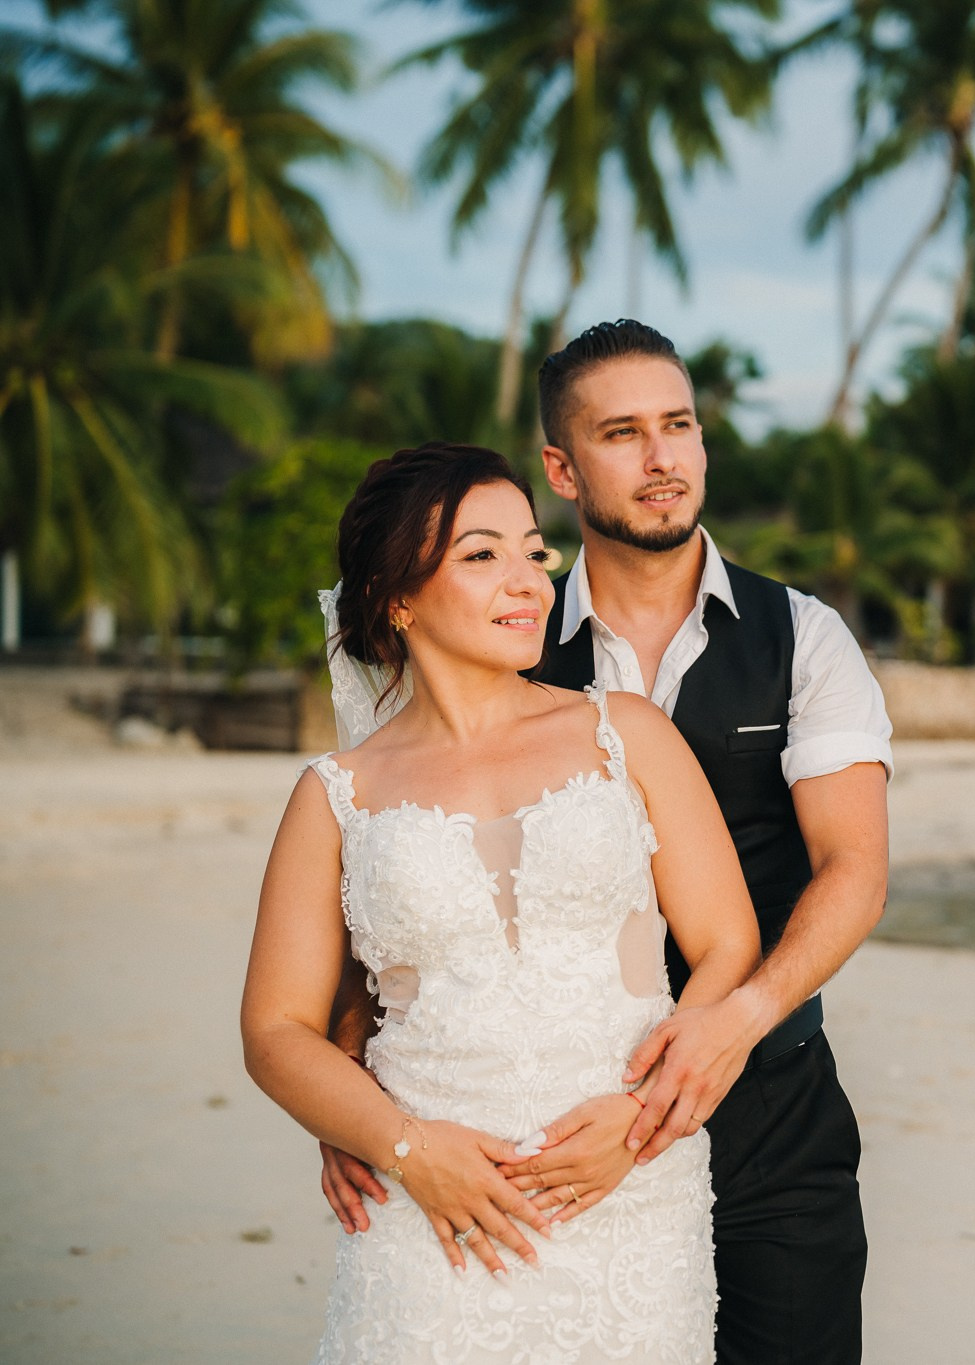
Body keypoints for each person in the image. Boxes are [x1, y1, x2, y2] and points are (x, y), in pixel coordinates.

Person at [317, 321, 893, 1364]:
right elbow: (395, 867)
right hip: (549, 1125)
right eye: (622, 434)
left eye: (678, 426)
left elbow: (853, 869)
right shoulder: (496, 631)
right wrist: (354, 1101)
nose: (662, 457)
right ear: (562, 468)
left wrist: (742, 1016)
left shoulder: (800, 636)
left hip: (770, 1107)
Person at [242, 443, 761, 1362]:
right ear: (395, 596)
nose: (527, 581)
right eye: (482, 555)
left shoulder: (622, 733)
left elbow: (726, 945)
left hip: (627, 1195)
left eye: (534, 552)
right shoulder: (336, 795)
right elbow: (276, 1030)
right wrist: (405, 1148)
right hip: (426, 1213)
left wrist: (642, 1121)